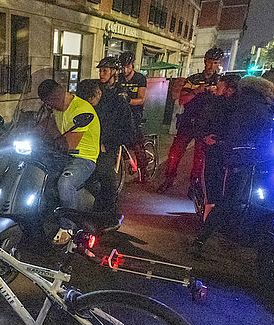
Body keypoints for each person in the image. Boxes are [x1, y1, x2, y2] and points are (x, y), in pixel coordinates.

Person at [190, 75, 274, 255]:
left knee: (224, 198)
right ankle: (202, 239)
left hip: (232, 156)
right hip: (241, 159)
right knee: (228, 201)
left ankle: (206, 235)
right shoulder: (258, 107)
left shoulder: (238, 103)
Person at [37, 79, 101, 244]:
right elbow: (46, 129)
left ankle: (68, 228)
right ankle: (43, 217)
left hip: (84, 158)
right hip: (64, 155)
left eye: (49, 102)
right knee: (37, 173)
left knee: (65, 183)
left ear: (57, 95)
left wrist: (49, 126)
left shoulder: (81, 110)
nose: (49, 106)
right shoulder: (57, 109)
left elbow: (68, 144)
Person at [158, 47, 224, 193]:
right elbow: (182, 100)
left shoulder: (221, 81)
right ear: (204, 61)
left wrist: (217, 92)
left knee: (199, 158)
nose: (211, 66)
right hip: (189, 121)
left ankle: (194, 185)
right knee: (175, 153)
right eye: (209, 62)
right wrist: (197, 91)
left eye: (215, 63)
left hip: (207, 124)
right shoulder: (193, 79)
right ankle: (169, 179)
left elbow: (225, 102)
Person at [194, 74, 241, 220]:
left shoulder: (222, 104)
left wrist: (207, 137)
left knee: (213, 185)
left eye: (220, 85)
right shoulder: (219, 102)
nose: (216, 87)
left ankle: (209, 221)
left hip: (220, 150)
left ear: (229, 89)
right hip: (221, 149)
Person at [94, 56, 131, 225]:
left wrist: (107, 142)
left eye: (105, 71)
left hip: (107, 141)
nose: (101, 74)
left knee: (105, 173)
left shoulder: (119, 96)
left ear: (114, 73)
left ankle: (110, 213)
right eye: (100, 70)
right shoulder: (95, 88)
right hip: (91, 137)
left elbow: (122, 125)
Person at [117, 51, 150, 181]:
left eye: (127, 66)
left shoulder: (140, 78)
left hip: (135, 113)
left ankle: (144, 170)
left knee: (136, 142)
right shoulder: (118, 78)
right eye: (123, 67)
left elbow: (141, 99)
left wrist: (129, 101)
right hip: (121, 113)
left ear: (132, 65)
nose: (125, 70)